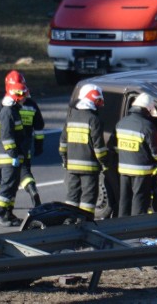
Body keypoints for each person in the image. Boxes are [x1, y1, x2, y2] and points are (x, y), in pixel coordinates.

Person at [0, 70, 45, 208]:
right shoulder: (32, 104)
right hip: (25, 146)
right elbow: (39, 127)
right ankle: (32, 191)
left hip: (5, 148)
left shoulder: (4, 104)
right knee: (25, 172)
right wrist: (39, 145)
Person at [59, 83, 109, 217]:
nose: (101, 105)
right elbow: (99, 148)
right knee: (88, 199)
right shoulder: (93, 119)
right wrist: (105, 163)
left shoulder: (71, 117)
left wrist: (65, 160)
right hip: (89, 169)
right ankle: (85, 223)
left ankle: (69, 221)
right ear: (91, 100)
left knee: (72, 197)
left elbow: (63, 143)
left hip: (72, 167)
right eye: (98, 101)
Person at [115, 93, 157, 216]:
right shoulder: (147, 126)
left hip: (123, 169)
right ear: (147, 110)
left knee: (124, 199)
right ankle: (137, 228)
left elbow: (115, 146)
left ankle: (121, 227)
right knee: (139, 199)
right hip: (141, 172)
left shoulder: (121, 123)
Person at [0, 76, 28, 227]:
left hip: (12, 156)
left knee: (12, 186)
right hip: (8, 157)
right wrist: (13, 155)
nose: (25, 99)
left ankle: (8, 214)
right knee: (7, 185)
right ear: (17, 96)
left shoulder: (13, 110)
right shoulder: (7, 112)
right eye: (23, 96)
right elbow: (7, 136)